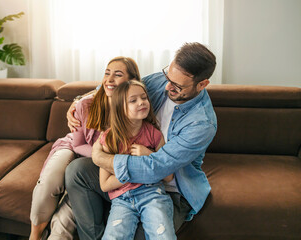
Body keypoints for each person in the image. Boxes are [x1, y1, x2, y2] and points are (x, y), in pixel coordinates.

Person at [65, 42, 217, 240]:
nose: (167, 86)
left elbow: (158, 167)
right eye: (168, 77)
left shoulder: (202, 123)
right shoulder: (159, 81)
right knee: (77, 171)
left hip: (169, 189)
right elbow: (117, 89)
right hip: (129, 179)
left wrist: (100, 157)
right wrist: (79, 100)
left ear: (202, 84)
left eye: (177, 86)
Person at [29, 56, 141, 240]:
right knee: (50, 180)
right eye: (107, 73)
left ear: (131, 81)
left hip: (93, 162)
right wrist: (104, 157)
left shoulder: (135, 107)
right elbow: (78, 144)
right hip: (74, 147)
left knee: (70, 204)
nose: (109, 79)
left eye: (118, 75)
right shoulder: (87, 104)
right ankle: (34, 235)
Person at [99, 80, 175, 239]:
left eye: (144, 98)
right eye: (133, 100)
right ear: (120, 108)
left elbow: (168, 176)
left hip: (153, 194)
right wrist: (134, 168)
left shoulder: (154, 134)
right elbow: (105, 184)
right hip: (122, 200)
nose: (141, 102)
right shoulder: (109, 139)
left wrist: (149, 155)